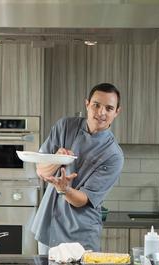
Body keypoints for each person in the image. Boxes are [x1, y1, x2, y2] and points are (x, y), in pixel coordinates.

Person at [31, 83, 124, 254]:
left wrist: (64, 189)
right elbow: (42, 171)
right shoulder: (66, 126)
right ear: (87, 104)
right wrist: (58, 158)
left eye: (109, 108)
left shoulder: (114, 155)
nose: (101, 112)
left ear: (116, 112)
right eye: (96, 105)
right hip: (49, 225)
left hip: (80, 235)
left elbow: (82, 200)